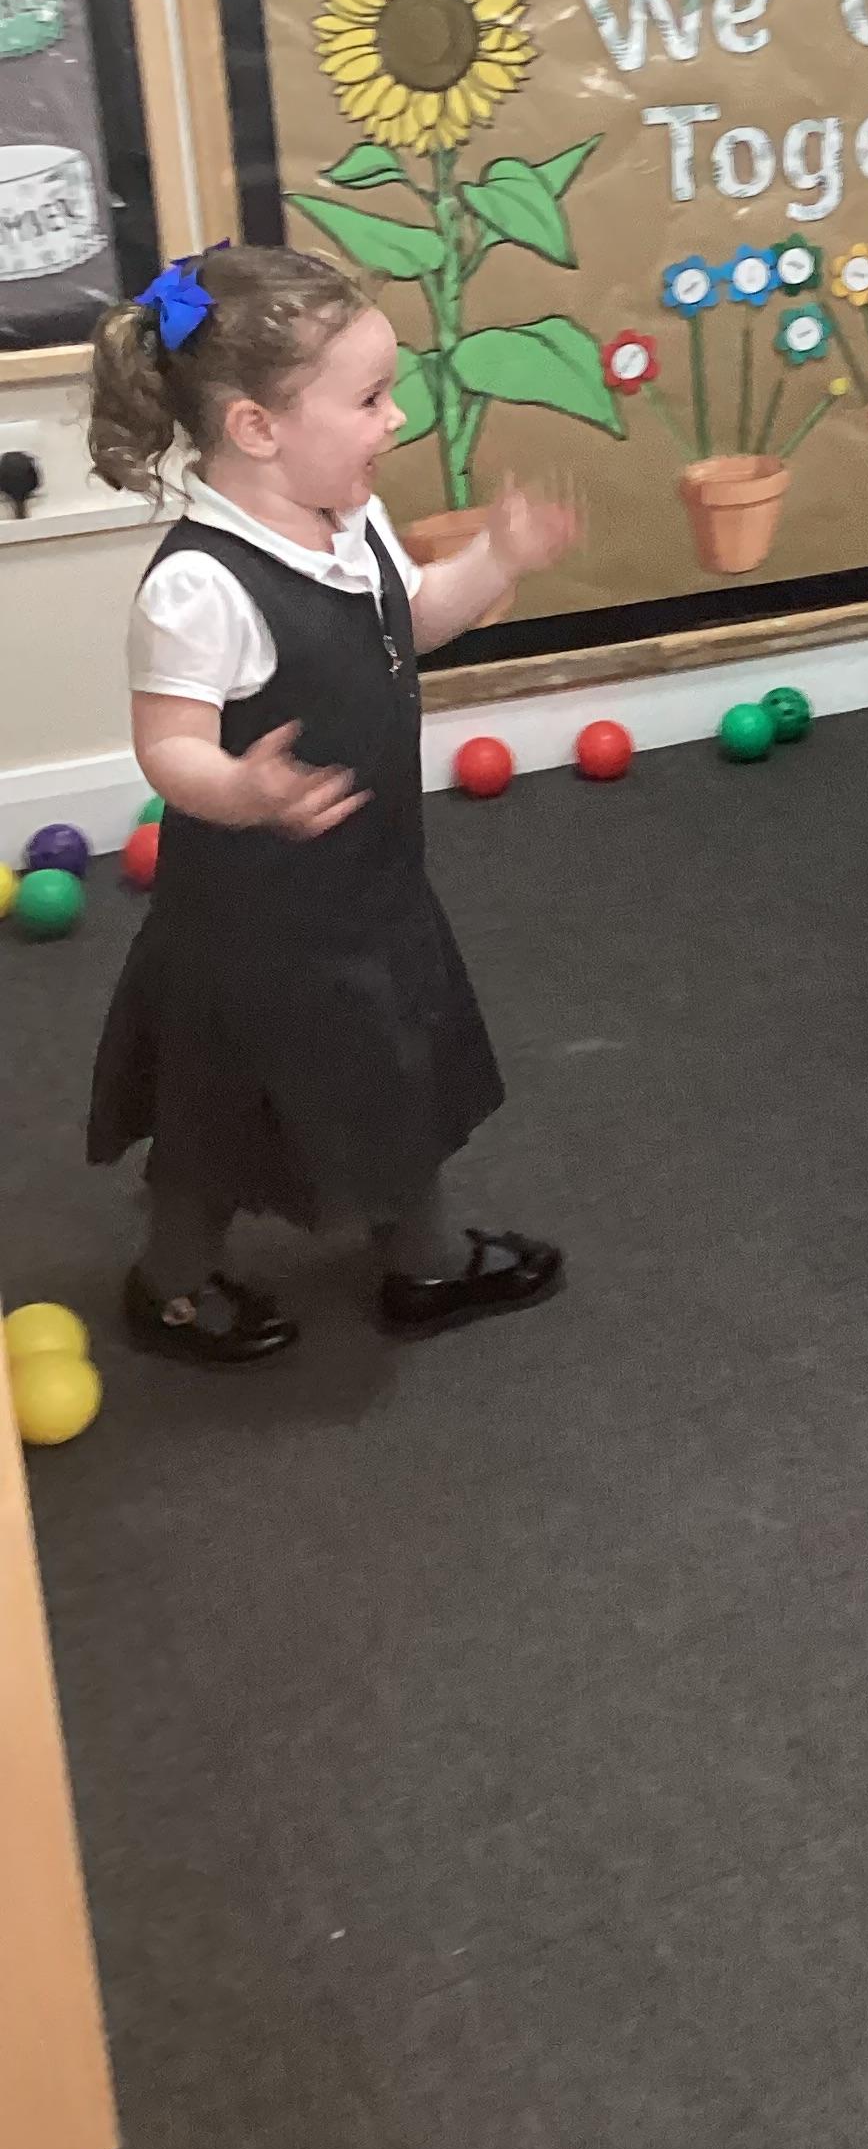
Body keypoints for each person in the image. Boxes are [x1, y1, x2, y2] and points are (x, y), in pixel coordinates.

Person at [85, 244, 575, 1365]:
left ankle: (424, 1266)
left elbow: (415, 619)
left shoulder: (350, 521)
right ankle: (169, 1284)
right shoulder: (200, 586)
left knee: (396, 1075)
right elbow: (168, 746)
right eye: (368, 399)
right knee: (219, 1117)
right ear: (257, 427)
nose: (395, 420)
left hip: (368, 888)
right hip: (256, 927)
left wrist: (497, 559)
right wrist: (239, 789)